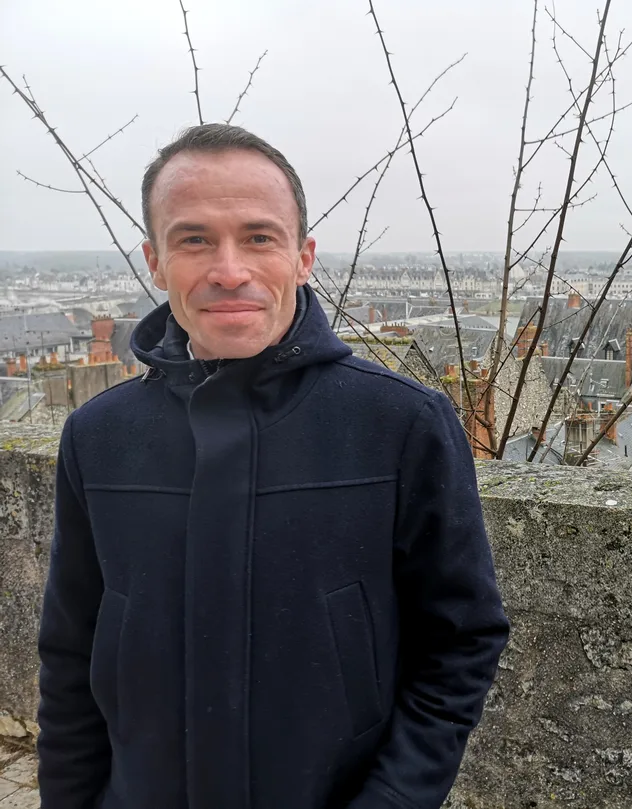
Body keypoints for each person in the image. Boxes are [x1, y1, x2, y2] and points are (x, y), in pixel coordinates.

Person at [36, 123, 510, 809]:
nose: (230, 269)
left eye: (259, 236)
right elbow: (70, 656)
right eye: (194, 238)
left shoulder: (400, 425)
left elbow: (463, 640)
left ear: (303, 255)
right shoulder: (97, 437)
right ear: (155, 261)